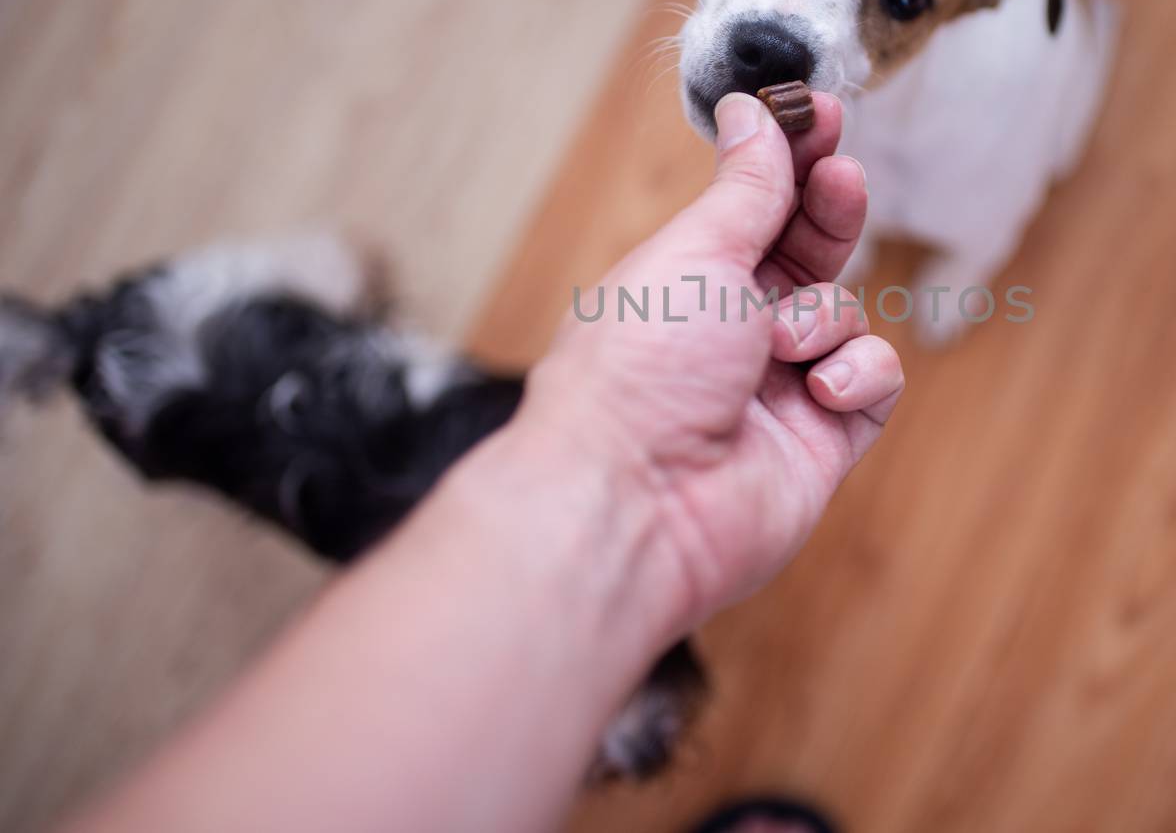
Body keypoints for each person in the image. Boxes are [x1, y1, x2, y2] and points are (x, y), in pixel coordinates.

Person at [66, 92, 902, 833]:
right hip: (194, 372)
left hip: (183, 371)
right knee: (335, 289)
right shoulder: (500, 464)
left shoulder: (475, 505)